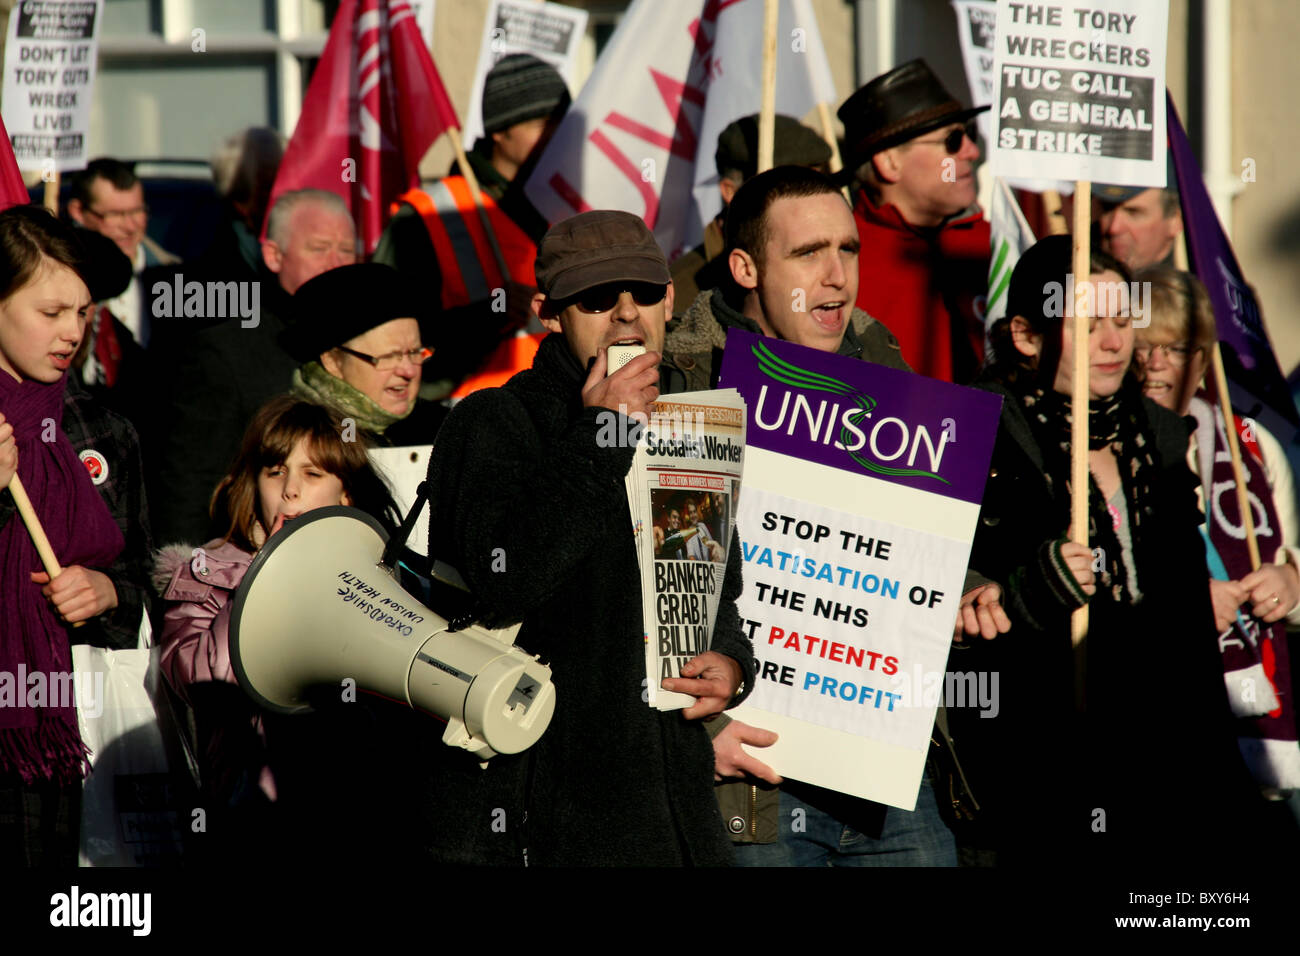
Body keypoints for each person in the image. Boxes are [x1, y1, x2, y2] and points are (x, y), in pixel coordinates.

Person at [664, 165, 1003, 865]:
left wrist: (962, 586)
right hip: (752, 783)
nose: (837, 276)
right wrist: (702, 733)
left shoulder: (877, 352)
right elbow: (661, 585)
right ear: (745, 267)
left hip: (881, 772)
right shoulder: (685, 375)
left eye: (847, 249)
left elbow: (906, 532)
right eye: (808, 253)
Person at [424, 209, 755, 865]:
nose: (628, 314)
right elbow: (505, 579)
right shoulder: (494, 421)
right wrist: (602, 438)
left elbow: (713, 597)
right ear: (550, 314)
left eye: (647, 294)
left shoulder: (690, 424)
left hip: (678, 822)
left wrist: (729, 664)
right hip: (547, 823)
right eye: (599, 299)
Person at [957, 235, 1265, 865]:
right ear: (1025, 334)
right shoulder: (977, 433)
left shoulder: (1157, 432)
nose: (1114, 342)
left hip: (1160, 747)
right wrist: (1027, 587)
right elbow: (956, 601)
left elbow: (1177, 603)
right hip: (1041, 757)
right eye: (1089, 324)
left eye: (1123, 321)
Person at [156, 396, 399, 861]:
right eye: (275, 471)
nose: (290, 490)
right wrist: (263, 582)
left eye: (312, 474)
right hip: (252, 822)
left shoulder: (385, 581)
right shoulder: (206, 573)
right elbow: (198, 682)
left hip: (361, 817)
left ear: (345, 494)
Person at [1133, 267, 1300, 811]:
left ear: (1203, 360)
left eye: (1176, 348)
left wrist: (1289, 580)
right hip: (1154, 717)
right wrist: (1183, 600)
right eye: (1143, 345)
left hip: (1257, 722)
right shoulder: (1106, 446)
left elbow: (1293, 553)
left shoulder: (1254, 445)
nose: (1156, 364)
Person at [0, 205, 126, 865]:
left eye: (82, 313)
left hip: (72, 732)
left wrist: (106, 590)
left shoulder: (100, 428)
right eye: (50, 313)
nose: (72, 331)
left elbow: (151, 579)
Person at [152, 188, 357, 545]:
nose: (336, 262)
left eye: (346, 250)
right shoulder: (223, 351)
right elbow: (189, 486)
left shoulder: (363, 345)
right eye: (320, 248)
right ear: (274, 255)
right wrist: (187, 583)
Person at [374, 53, 570, 398]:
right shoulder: (430, 213)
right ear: (499, 131)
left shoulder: (573, 205)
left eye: (563, 123)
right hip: (465, 424)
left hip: (562, 415)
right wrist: (491, 313)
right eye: (541, 124)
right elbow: (386, 331)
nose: (556, 136)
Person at [836, 59, 991, 383]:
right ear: (890, 162)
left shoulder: (995, 246)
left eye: (970, 135)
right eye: (952, 141)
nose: (973, 152)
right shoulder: (837, 261)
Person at [669, 113, 831, 306]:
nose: (810, 201)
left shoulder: (838, 268)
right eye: (788, 189)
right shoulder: (683, 295)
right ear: (731, 191)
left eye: (818, 185)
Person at [285, 262, 447, 447]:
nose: (408, 371)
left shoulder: (448, 431)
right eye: (389, 356)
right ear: (333, 361)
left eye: (415, 353)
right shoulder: (291, 437)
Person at [66, 158, 179, 390]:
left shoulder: (172, 272)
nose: (130, 226)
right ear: (78, 211)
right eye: (115, 214)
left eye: (137, 211)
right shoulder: (63, 279)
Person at [1096, 180, 1182, 273]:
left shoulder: (1192, 284)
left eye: (1133, 212)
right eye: (1107, 209)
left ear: (1175, 220)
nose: (1114, 228)